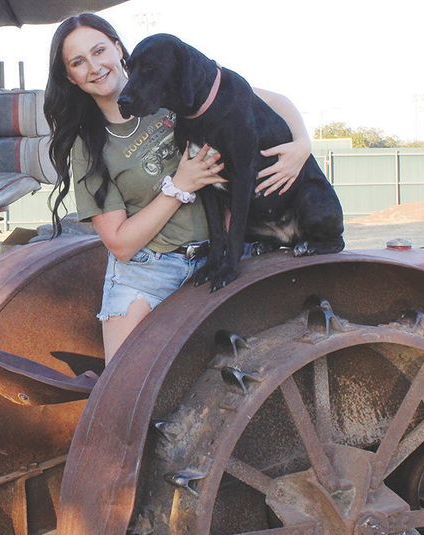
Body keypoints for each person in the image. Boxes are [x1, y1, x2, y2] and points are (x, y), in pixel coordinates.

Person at [44, 13, 312, 363]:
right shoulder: (88, 146)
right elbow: (120, 244)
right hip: (148, 270)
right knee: (125, 389)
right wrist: (179, 186)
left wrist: (303, 143)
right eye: (79, 62)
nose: (94, 67)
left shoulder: (176, 90)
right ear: (70, 77)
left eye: (99, 51)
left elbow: (270, 100)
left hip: (224, 252)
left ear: (118, 48)